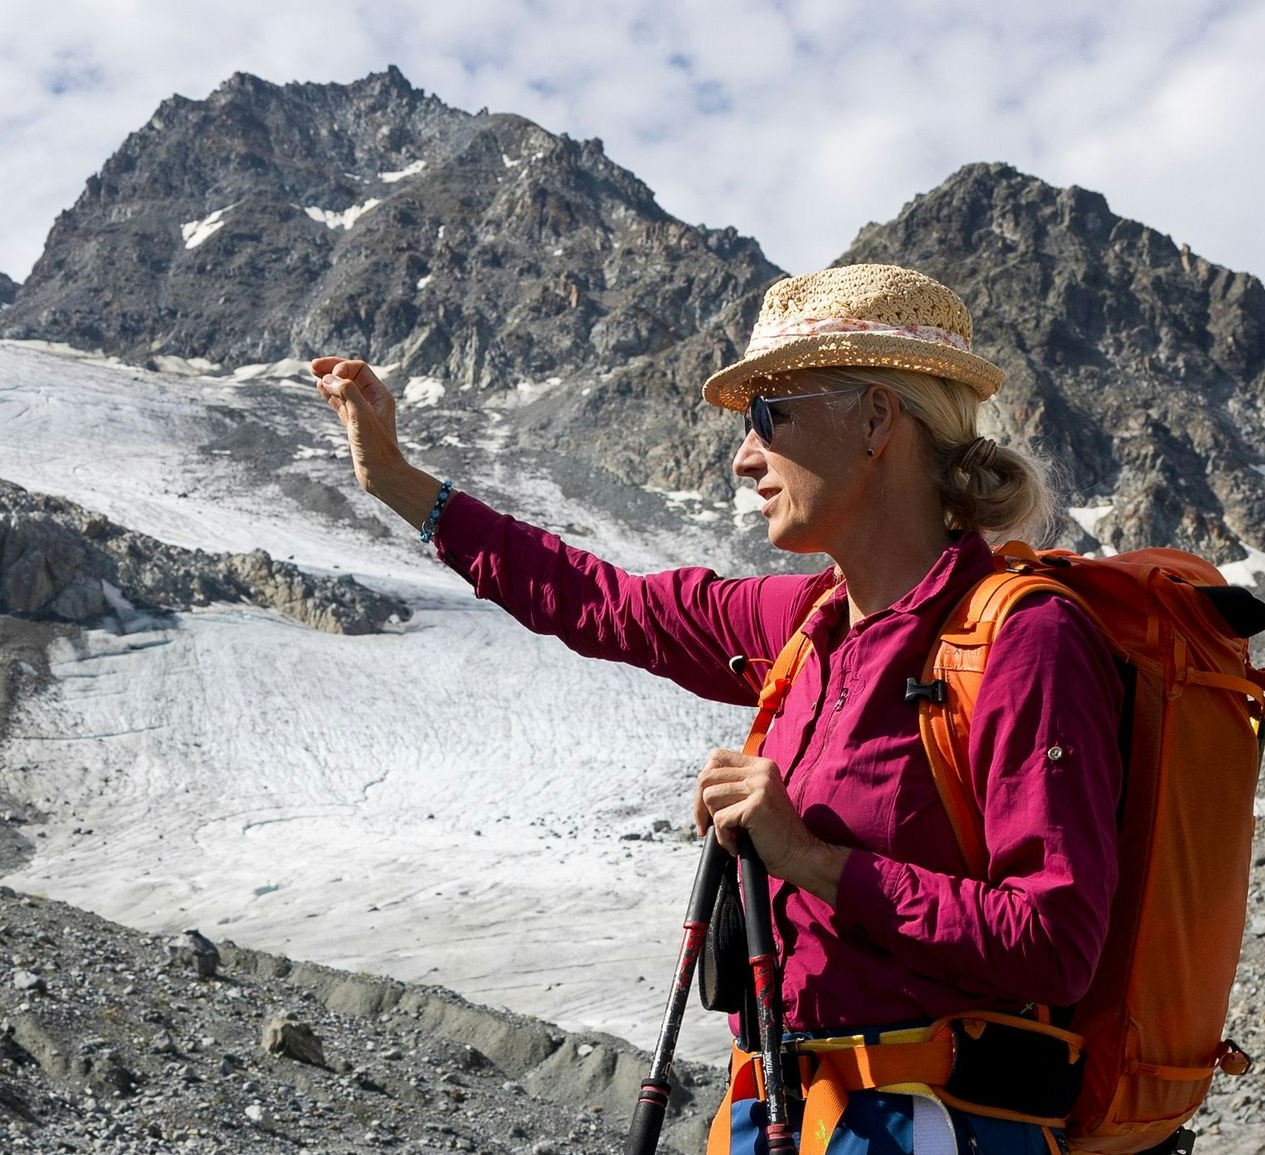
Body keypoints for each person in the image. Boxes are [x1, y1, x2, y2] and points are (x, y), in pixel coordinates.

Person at [311, 264, 1122, 1154]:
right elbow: (605, 603)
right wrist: (396, 481)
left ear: (877, 420)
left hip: (933, 1125)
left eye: (768, 416)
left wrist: (810, 857)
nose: (743, 458)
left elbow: (1051, 941)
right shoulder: (807, 622)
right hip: (788, 1114)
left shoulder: (1021, 640)